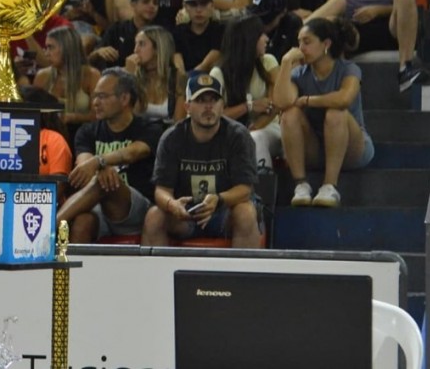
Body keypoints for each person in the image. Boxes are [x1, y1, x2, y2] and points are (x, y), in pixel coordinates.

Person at [141, 73, 261, 247]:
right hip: (185, 213)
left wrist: (218, 199)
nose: (208, 106)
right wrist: (172, 204)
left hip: (225, 211)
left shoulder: (238, 136)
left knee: (246, 213)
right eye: (200, 101)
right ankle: (154, 267)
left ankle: (244, 266)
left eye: (214, 100)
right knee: (154, 216)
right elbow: (161, 190)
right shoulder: (171, 138)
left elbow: (244, 190)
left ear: (222, 106)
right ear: (187, 106)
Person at [274, 18, 374, 207]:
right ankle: (301, 185)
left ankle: (329, 186)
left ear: (326, 44)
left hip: (351, 148)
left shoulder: (348, 69)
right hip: (315, 148)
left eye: (307, 42)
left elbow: (344, 99)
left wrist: (309, 100)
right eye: (299, 42)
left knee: (335, 113)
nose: (301, 48)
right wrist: (286, 63)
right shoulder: (300, 73)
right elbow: (281, 102)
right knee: (289, 114)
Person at [56, 67, 163, 243]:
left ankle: (49, 227)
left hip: (136, 210)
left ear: (124, 99)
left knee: (104, 182)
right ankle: (64, 261)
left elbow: (134, 152)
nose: (95, 103)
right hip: (98, 208)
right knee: (82, 222)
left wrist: (99, 161)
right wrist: (98, 165)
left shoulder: (150, 128)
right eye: (94, 96)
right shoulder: (87, 132)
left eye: (102, 96)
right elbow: (84, 168)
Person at [209, 15, 280, 170]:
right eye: (261, 35)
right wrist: (248, 106)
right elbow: (212, 115)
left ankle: (263, 182)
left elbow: (276, 104)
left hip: (268, 127)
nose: (266, 39)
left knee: (255, 138)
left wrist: (255, 127)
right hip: (231, 132)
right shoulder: (219, 73)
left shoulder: (268, 62)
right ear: (249, 40)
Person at [34, 26, 100, 142]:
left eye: (51, 47)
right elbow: (33, 113)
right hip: (49, 137)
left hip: (84, 137)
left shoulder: (91, 75)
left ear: (67, 48)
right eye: (46, 48)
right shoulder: (42, 76)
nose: (46, 53)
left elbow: (98, 115)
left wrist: (72, 117)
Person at [89, 0, 159, 70]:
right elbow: (91, 59)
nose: (152, 6)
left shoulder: (161, 33)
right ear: (133, 4)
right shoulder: (116, 30)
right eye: (146, 1)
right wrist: (98, 53)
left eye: (155, 3)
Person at [125, 25, 186, 123]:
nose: (135, 50)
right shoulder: (132, 74)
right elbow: (130, 118)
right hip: (138, 131)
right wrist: (130, 78)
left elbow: (179, 123)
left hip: (168, 131)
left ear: (158, 48)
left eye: (141, 44)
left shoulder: (176, 77)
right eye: (135, 44)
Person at [173, 0, 223, 73]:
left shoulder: (220, 30)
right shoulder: (178, 32)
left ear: (212, 6)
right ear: (185, 7)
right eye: (193, 4)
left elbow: (213, 57)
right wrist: (182, 76)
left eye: (204, 4)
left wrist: (191, 75)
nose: (199, 10)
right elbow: (177, 59)